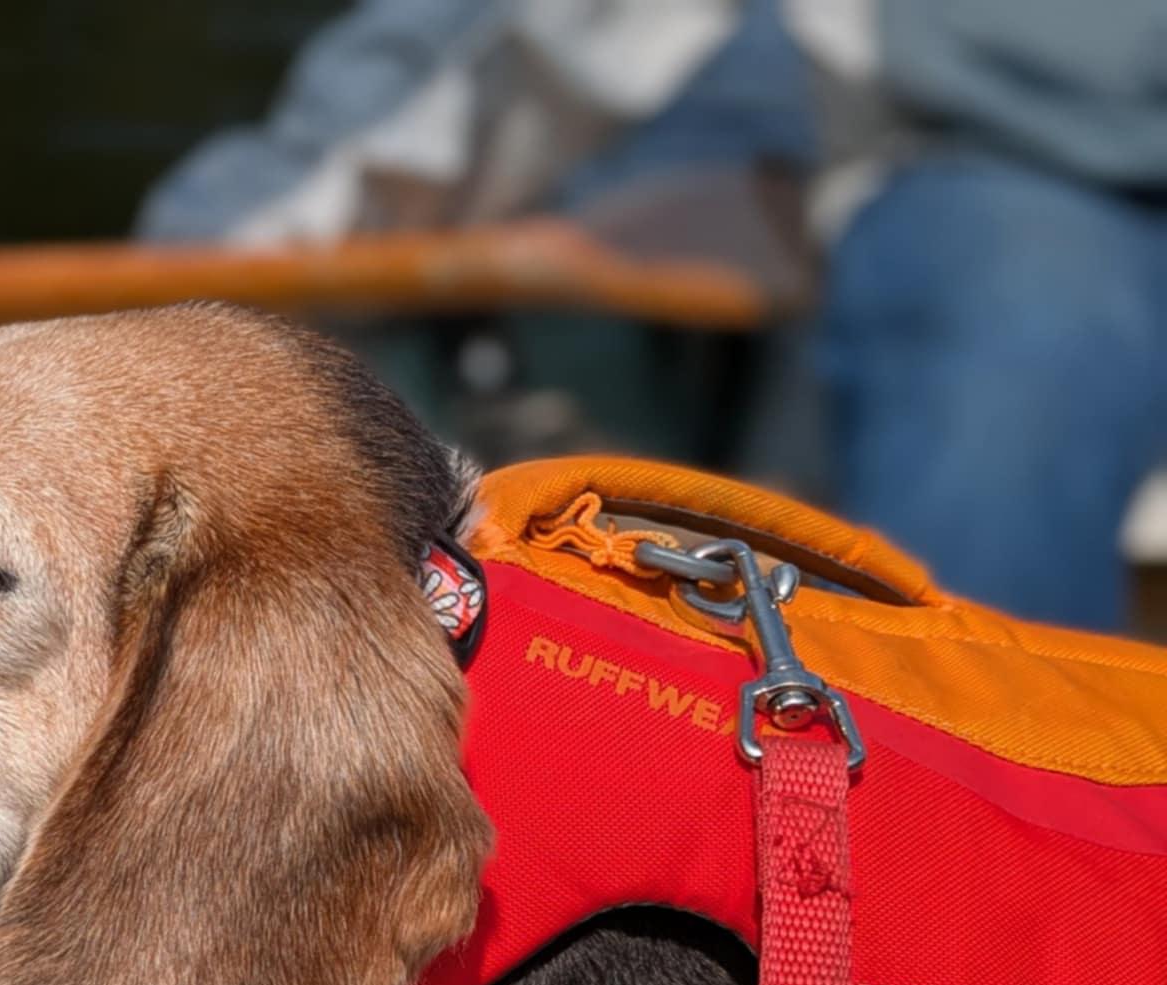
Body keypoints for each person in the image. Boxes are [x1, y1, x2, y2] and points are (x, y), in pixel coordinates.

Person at [140, 0, 1167, 631]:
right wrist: (194, 278)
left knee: (1017, 325)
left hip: (1015, 237)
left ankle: (979, 863)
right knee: (1015, 314)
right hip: (1009, 213)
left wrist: (196, 266)